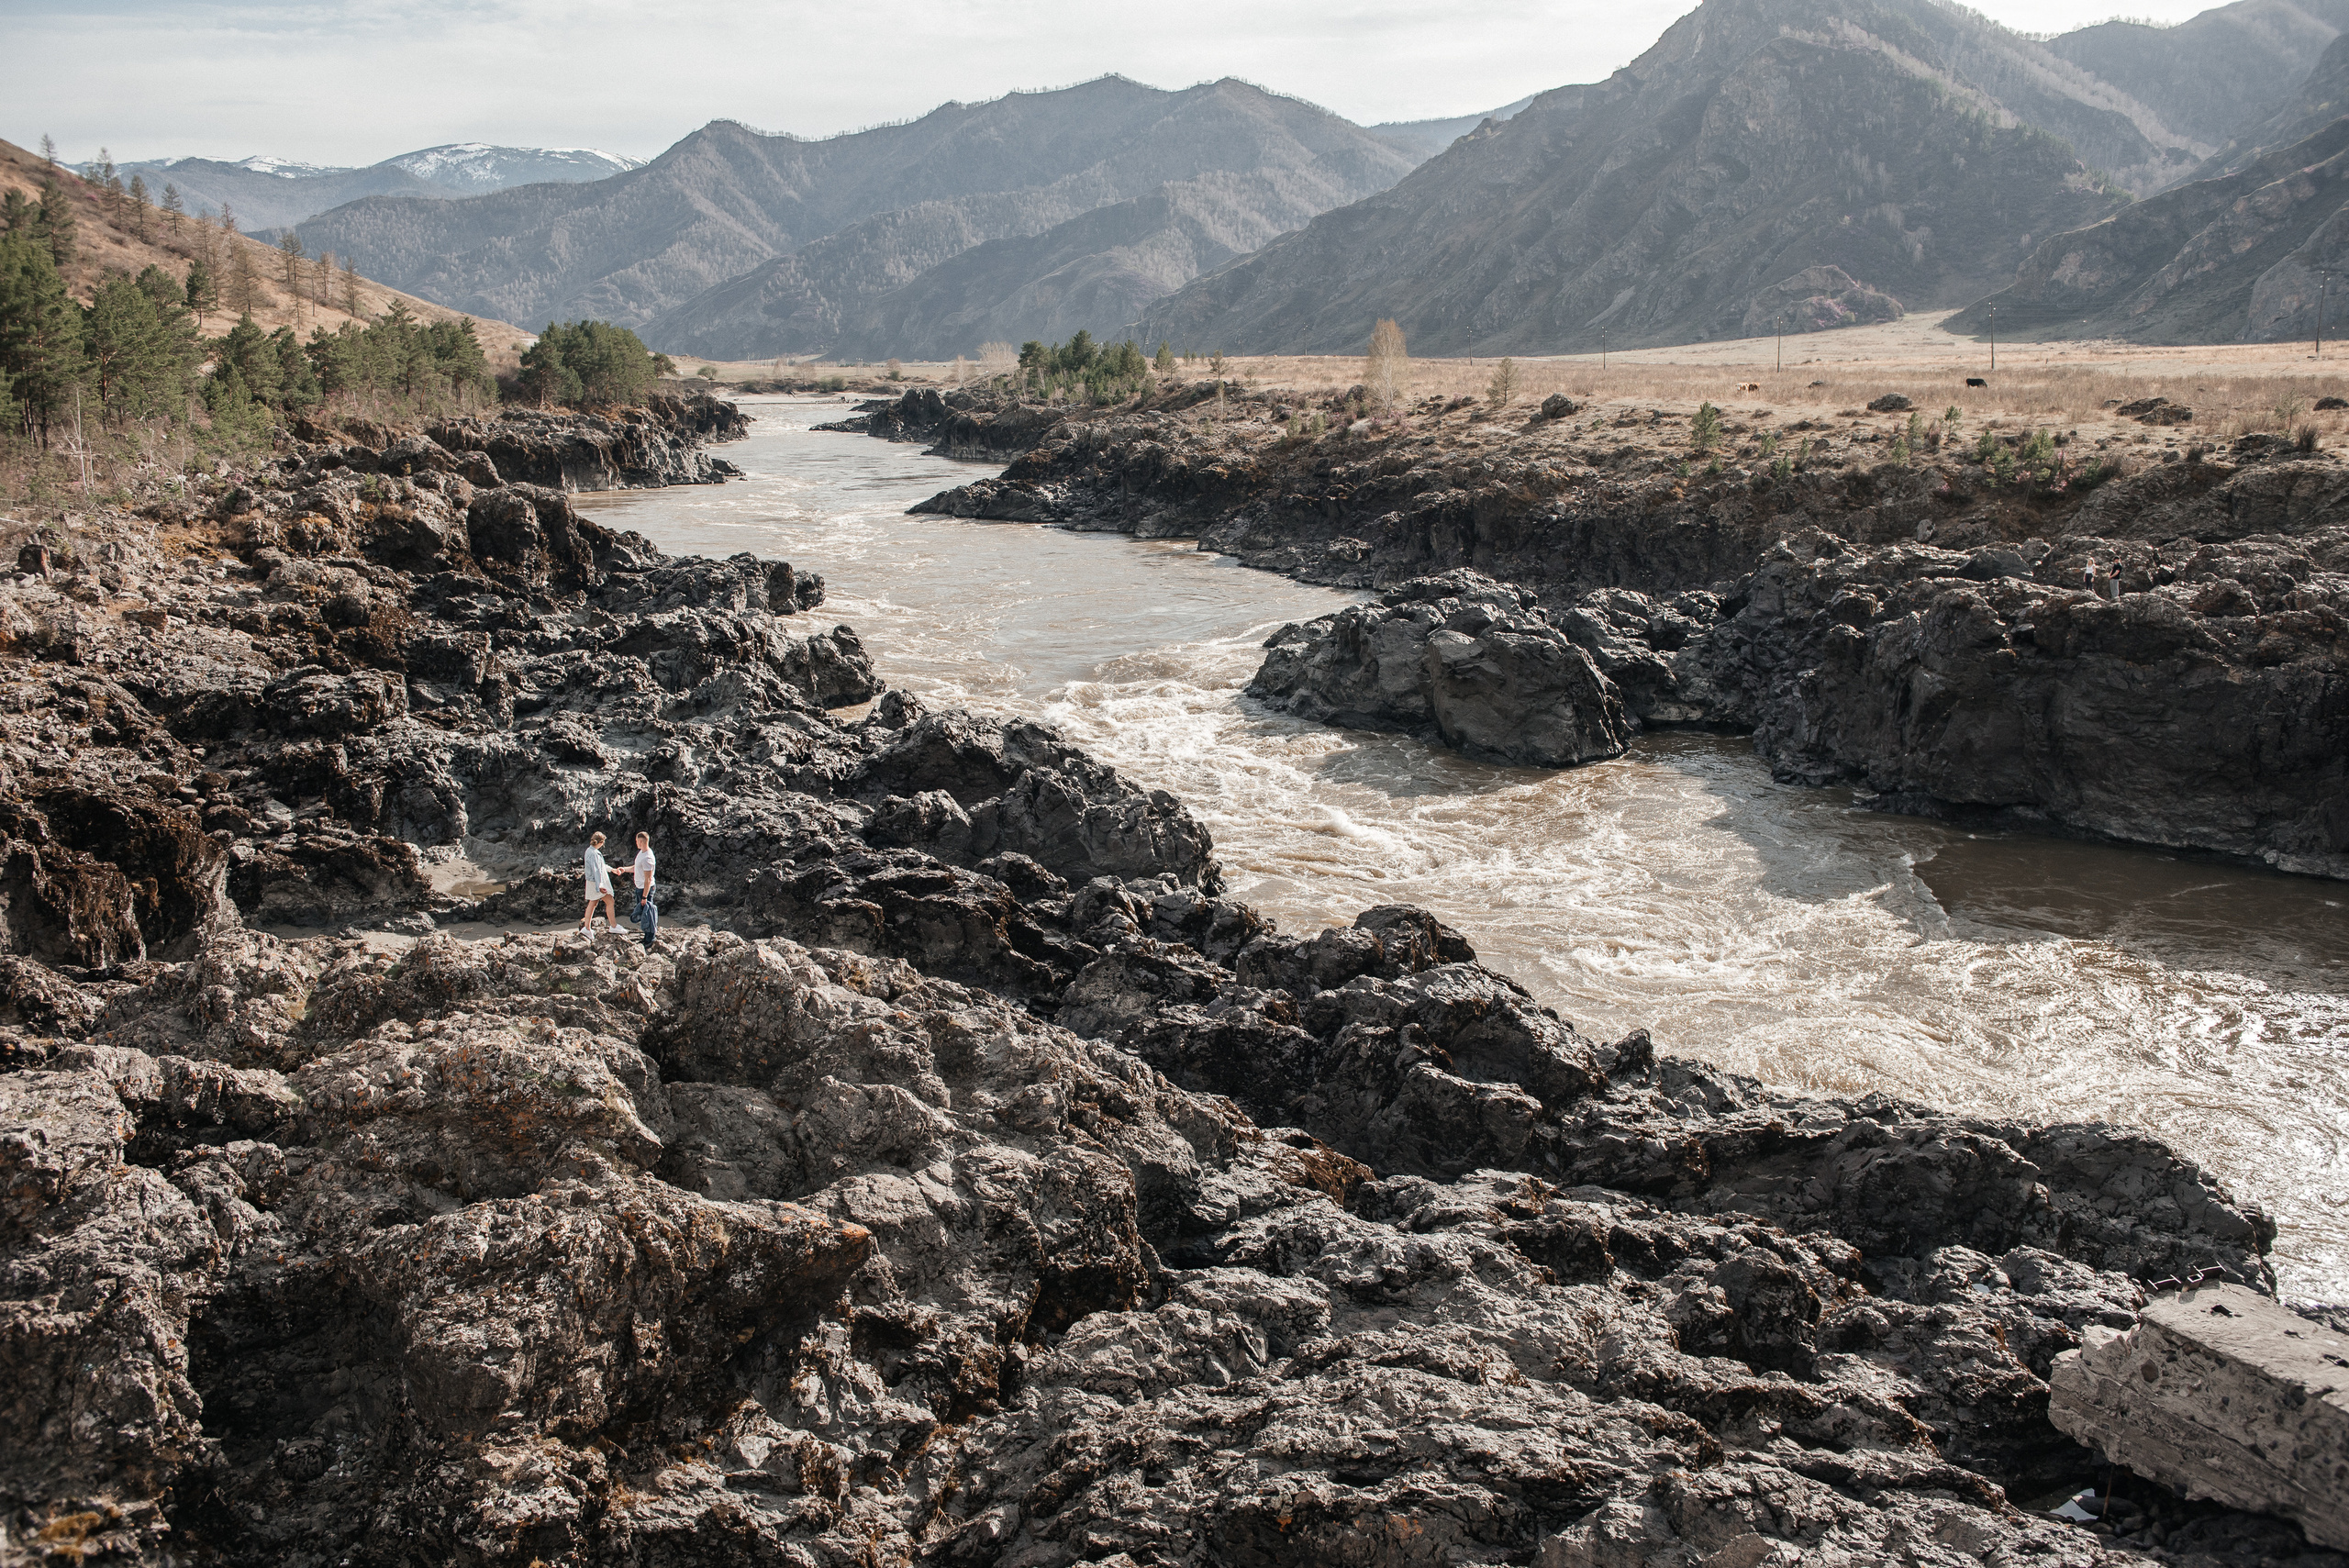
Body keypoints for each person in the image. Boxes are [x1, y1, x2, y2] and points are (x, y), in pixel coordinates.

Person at [578, 831, 615, 933]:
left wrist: (612, 870)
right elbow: (597, 870)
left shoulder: (589, 851)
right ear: (601, 842)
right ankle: (614, 926)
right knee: (610, 901)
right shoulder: (594, 853)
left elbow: (600, 867)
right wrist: (600, 885)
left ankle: (587, 928)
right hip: (596, 883)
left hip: (591, 882)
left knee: (593, 903)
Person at [631, 830, 657, 949]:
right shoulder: (641, 853)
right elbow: (636, 868)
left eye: (637, 841)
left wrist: (644, 896)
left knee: (648, 913)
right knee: (643, 914)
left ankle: (650, 939)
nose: (636, 843)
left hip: (645, 889)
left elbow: (648, 879)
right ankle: (646, 937)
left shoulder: (647, 858)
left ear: (641, 841)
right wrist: (624, 869)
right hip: (640, 888)